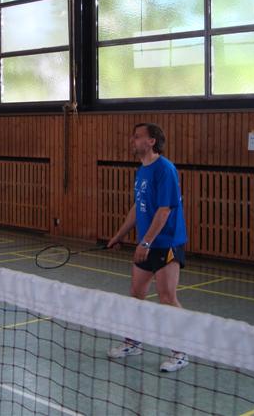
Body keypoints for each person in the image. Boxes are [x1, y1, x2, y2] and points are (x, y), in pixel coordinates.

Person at [106, 122, 189, 372]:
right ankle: (133, 342)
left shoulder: (165, 169)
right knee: (136, 293)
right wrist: (119, 235)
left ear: (151, 141)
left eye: (137, 136)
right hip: (147, 243)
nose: (132, 140)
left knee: (167, 298)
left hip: (166, 244)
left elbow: (164, 211)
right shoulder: (141, 171)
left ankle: (181, 352)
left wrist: (146, 241)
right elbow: (138, 206)